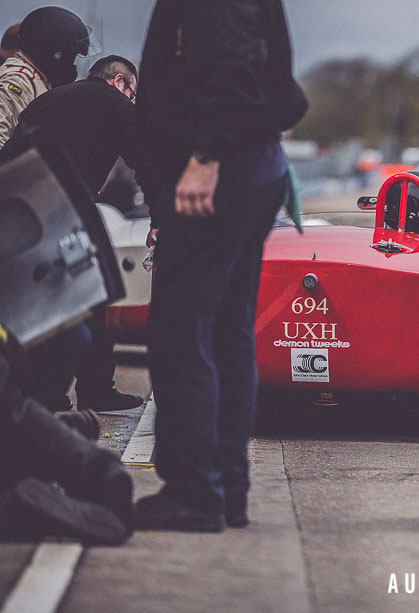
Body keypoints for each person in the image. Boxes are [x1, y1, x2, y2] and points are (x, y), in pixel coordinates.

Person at [133, 0, 307, 532]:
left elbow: (232, 61)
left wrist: (205, 156)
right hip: (248, 164)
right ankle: (225, 487)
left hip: (218, 170)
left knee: (183, 334)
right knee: (226, 333)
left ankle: (195, 491)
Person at [4, 55, 146, 414]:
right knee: (91, 298)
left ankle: (43, 395)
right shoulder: (113, 101)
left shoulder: (45, 99)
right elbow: (145, 157)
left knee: (40, 307)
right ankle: (96, 390)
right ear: (118, 82)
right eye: (131, 91)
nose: (130, 98)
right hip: (68, 215)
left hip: (24, 215)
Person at [0, 7, 92, 147]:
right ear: (52, 51)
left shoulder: (36, 78)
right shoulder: (17, 81)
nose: (72, 65)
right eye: (71, 56)